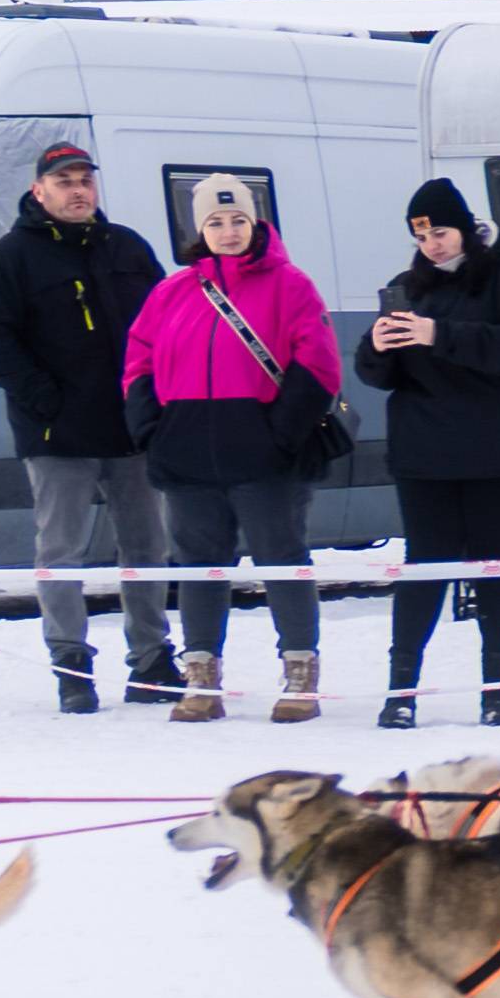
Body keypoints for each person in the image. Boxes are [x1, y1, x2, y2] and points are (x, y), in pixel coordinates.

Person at [121, 173, 343, 724]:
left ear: (255, 222)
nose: (227, 231)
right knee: (198, 568)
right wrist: (153, 430)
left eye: (238, 220)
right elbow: (137, 363)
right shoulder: (171, 292)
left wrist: (278, 437)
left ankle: (299, 676)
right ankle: (201, 679)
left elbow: (317, 364)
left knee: (283, 562)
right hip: (189, 455)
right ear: (199, 230)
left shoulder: (291, 286)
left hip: (265, 458)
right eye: (216, 222)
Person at [0, 134, 178, 715]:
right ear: (39, 191)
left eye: (85, 180)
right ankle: (70, 662)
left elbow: (169, 325)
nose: (78, 190)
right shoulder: (12, 255)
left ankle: (153, 660)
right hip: (57, 435)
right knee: (61, 550)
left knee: (146, 548)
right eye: (64, 182)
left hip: (131, 430)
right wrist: (45, 400)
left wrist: (157, 397)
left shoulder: (128, 248)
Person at [360, 176, 500, 731]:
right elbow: (375, 373)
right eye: (422, 236)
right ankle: (401, 690)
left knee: (496, 564)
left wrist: (438, 334)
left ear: (467, 228)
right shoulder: (407, 286)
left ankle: (496, 690)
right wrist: (377, 347)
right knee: (425, 566)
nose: (434, 245)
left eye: (442, 232)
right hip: (426, 454)